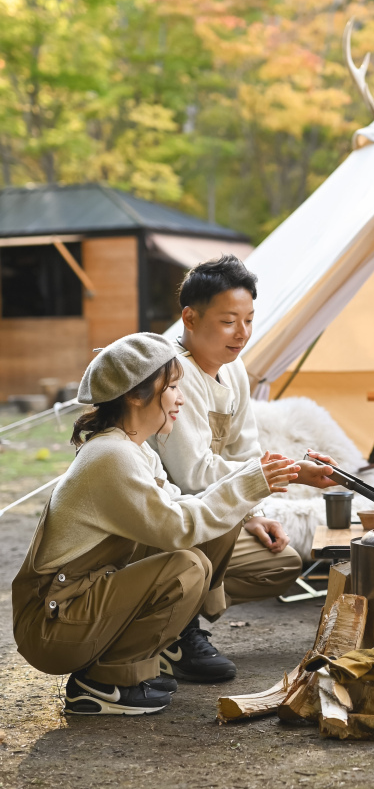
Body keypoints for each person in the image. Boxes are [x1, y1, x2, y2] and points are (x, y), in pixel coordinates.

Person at [12, 333, 299, 717]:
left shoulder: (131, 448)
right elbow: (177, 527)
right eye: (174, 387)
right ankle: (101, 684)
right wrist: (249, 484)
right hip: (52, 626)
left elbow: (183, 505)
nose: (181, 399)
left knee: (216, 527)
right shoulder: (111, 456)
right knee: (186, 566)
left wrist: (253, 489)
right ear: (135, 395)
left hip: (73, 605)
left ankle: (142, 660)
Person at [152, 255, 337, 681]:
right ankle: (169, 629)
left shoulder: (233, 369)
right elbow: (193, 476)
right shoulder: (172, 374)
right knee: (211, 522)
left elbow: (245, 451)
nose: (243, 333)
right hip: (164, 524)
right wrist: (291, 472)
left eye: (249, 320)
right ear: (190, 318)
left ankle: (174, 617)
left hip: (209, 518)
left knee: (280, 563)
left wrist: (253, 514)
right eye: (228, 321)